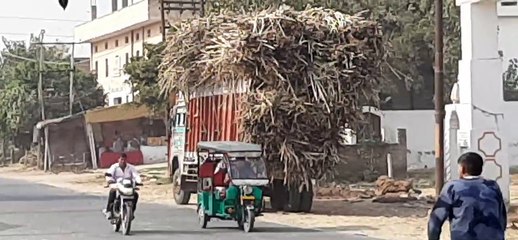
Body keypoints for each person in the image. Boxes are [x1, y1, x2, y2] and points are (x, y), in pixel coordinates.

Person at [427, 152, 507, 240]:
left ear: (463, 169)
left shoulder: (452, 187)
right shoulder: (493, 186)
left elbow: (436, 220)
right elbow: (502, 216)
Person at [102, 153, 142, 219]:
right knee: (112, 192)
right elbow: (109, 175)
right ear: (118, 160)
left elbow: (136, 176)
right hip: (117, 185)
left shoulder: (131, 167)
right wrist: (110, 181)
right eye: (121, 159)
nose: (123, 161)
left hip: (128, 186)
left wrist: (139, 181)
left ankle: (131, 212)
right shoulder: (114, 167)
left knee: (135, 195)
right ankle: (109, 211)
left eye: (124, 160)